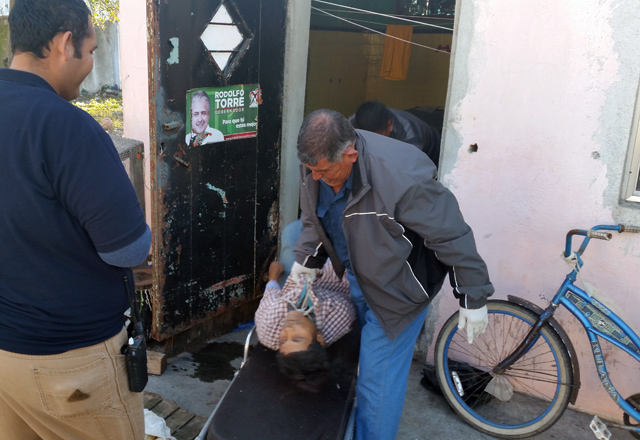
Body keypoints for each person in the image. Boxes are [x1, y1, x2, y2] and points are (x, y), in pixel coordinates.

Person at [291, 109, 494, 439]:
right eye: (310, 170)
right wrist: (306, 262)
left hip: (399, 290)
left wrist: (473, 294)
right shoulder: (317, 161)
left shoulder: (402, 176)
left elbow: (450, 234)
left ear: (350, 154)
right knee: (362, 360)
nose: (314, 177)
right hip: (359, 275)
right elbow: (317, 216)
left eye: (323, 171)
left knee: (378, 379)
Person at [0, 1, 151, 438]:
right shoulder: (67, 126)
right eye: (92, 50)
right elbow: (128, 248)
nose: (91, 64)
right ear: (66, 44)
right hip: (70, 363)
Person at [254, 259, 355, 392]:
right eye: (298, 338)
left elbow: (270, 295)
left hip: (294, 276)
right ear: (319, 338)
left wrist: (273, 277)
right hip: (336, 276)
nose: (288, 330)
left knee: (285, 256)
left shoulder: (268, 326)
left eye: (283, 340)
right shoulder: (338, 315)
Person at [350, 100, 441, 167]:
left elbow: (405, 171)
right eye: (369, 138)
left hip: (432, 149)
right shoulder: (354, 122)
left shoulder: (411, 135)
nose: (373, 143)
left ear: (390, 125)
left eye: (377, 138)